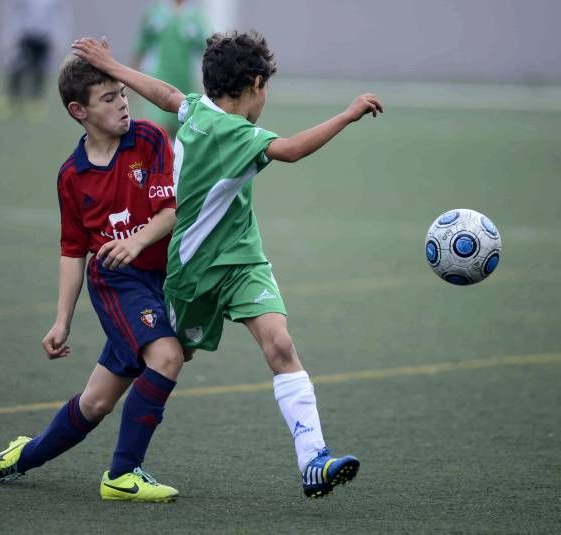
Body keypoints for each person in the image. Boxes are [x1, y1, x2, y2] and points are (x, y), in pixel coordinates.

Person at [72, 31, 383, 499]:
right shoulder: (235, 132)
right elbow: (293, 150)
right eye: (267, 87)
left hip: (242, 262)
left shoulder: (197, 110)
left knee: (279, 344)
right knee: (143, 371)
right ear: (256, 83)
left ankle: (314, 460)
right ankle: (94, 452)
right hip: (193, 274)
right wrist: (348, 113)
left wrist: (113, 66)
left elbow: (166, 94)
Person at [0, 53, 189, 503]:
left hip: (159, 282)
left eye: (122, 94)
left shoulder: (148, 138)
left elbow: (170, 213)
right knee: (166, 357)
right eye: (109, 98)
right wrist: (62, 319)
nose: (123, 104)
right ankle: (123, 475)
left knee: (96, 403)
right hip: (115, 282)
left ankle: (17, 458)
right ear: (78, 111)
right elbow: (72, 250)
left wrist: (137, 240)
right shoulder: (72, 176)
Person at [132, 0, 209, 136]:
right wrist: (130, 82)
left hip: (186, 83)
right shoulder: (155, 12)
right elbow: (140, 48)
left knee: (184, 132)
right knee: (161, 131)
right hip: (159, 81)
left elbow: (206, 50)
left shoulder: (195, 17)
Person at [0, 0, 71, 121]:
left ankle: (36, 101)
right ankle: (11, 99)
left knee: (41, 70)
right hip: (25, 36)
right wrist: (10, 33)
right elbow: (14, 13)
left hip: (45, 38)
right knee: (16, 67)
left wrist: (59, 38)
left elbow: (62, 17)